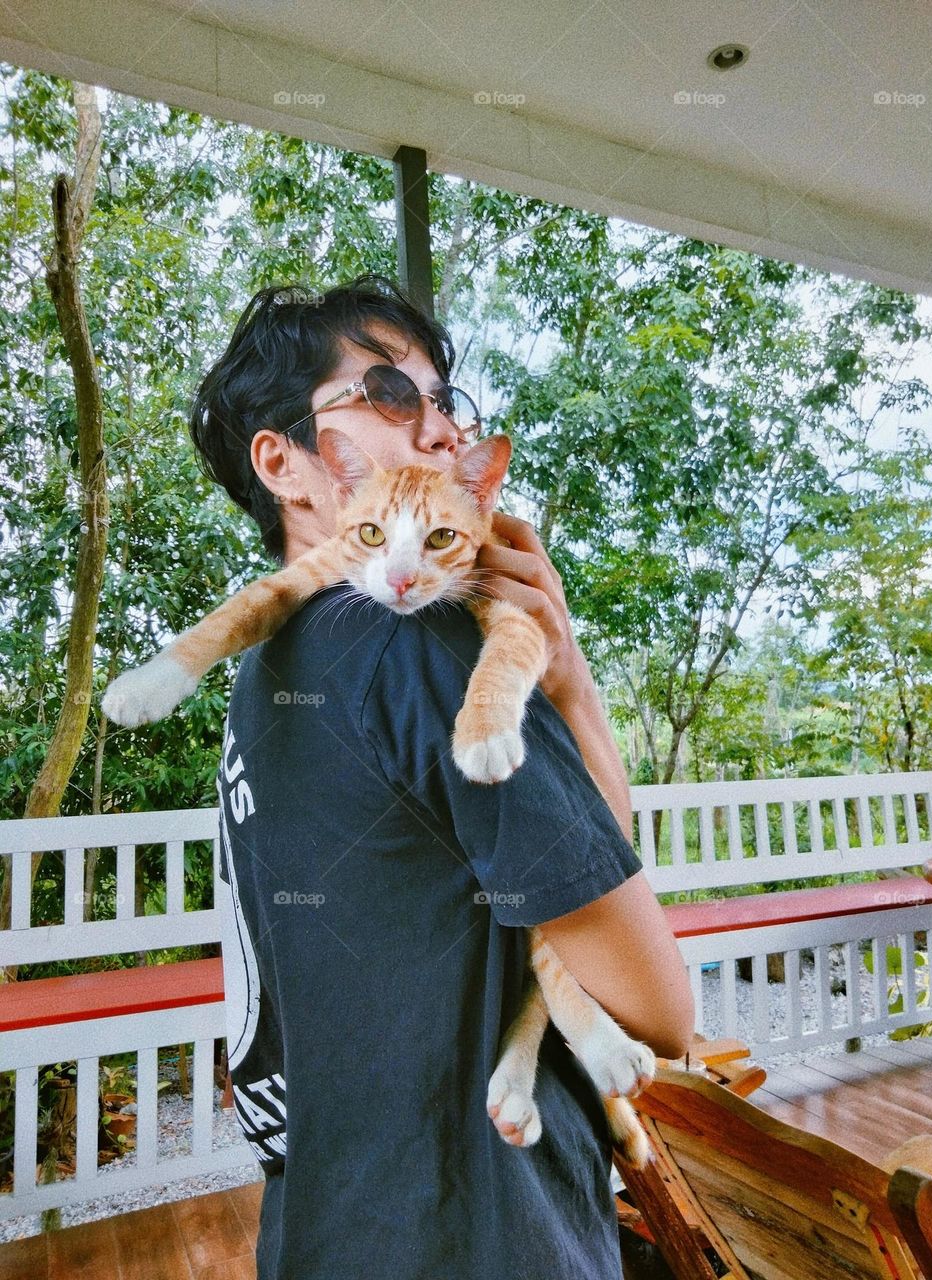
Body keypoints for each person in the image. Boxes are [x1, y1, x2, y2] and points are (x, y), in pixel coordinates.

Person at [192, 276, 694, 1280]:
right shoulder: (412, 644)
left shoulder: (269, 672)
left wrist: (566, 678)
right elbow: (658, 1004)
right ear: (285, 464)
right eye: (386, 393)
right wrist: (571, 685)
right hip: (482, 1229)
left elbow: (577, 857)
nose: (433, 427)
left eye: (442, 400)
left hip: (328, 1226)